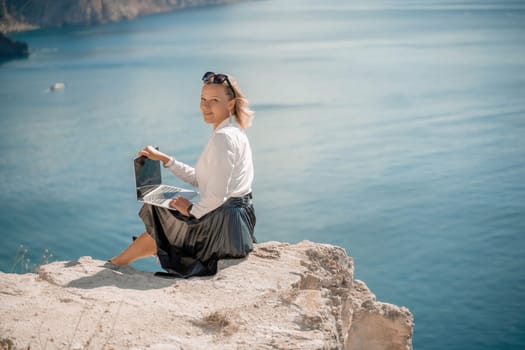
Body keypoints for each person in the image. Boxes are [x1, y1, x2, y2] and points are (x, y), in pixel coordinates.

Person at [109, 72, 256, 278]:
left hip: (225, 230)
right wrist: (165, 159)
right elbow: (199, 179)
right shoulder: (233, 130)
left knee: (161, 216)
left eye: (214, 100)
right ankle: (116, 263)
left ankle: (113, 265)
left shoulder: (223, 138)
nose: (206, 106)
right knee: (165, 220)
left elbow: (217, 196)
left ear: (230, 104)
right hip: (236, 223)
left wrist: (191, 210)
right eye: (203, 100)